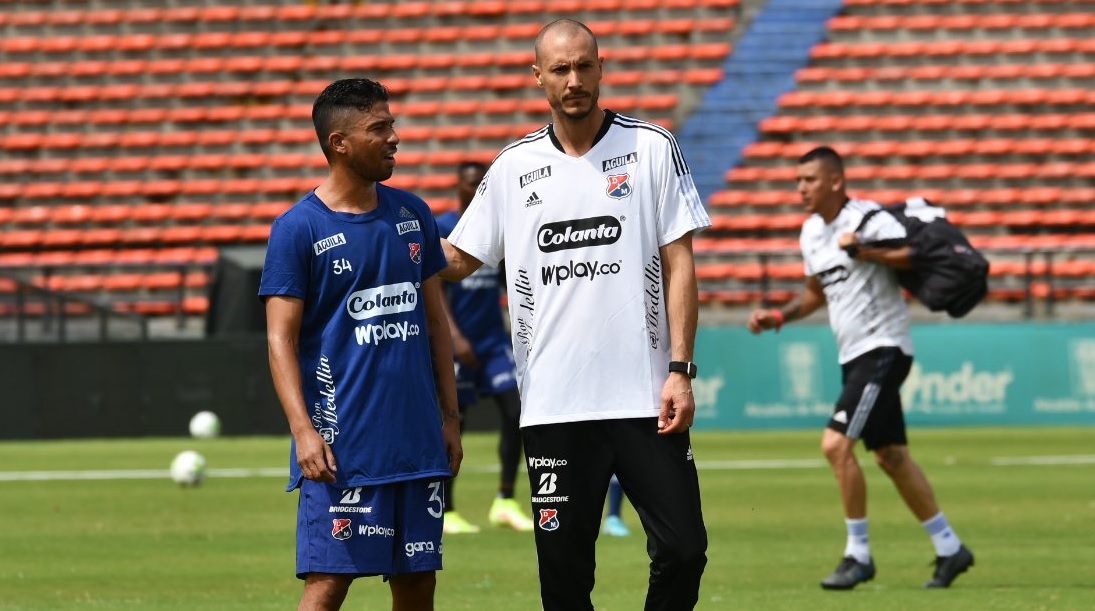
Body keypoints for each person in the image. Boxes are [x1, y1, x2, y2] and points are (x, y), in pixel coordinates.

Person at [440, 19, 710, 611]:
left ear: (602, 68)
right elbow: (457, 258)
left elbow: (680, 262)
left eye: (584, 66)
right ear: (538, 77)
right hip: (555, 406)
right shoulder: (513, 166)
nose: (574, 80)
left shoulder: (651, 147)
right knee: (563, 581)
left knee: (685, 551)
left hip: (646, 399)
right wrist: (382, 243)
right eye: (560, 69)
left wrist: (680, 369)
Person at [259, 78, 463, 611]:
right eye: (380, 128)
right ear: (339, 144)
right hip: (341, 450)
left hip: (418, 445)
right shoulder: (297, 229)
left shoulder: (414, 214)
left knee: (418, 586)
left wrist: (451, 416)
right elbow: (279, 339)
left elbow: (435, 322)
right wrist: (304, 433)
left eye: (391, 124)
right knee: (327, 586)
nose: (394, 137)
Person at [747, 146, 975, 590]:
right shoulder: (811, 232)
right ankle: (950, 548)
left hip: (883, 347)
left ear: (835, 181)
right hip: (853, 355)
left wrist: (867, 251)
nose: (800, 189)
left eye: (809, 180)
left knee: (835, 445)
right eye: (798, 181)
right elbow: (817, 290)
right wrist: (779, 316)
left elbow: (916, 255)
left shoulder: (869, 219)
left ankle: (858, 555)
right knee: (891, 457)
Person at [435, 160, 535, 535]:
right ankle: (446, 510)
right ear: (457, 186)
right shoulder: (444, 228)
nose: (475, 191)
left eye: (481, 185)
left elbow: (510, 279)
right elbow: (436, 289)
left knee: (516, 412)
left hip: (493, 342)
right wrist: (455, 338)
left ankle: (505, 501)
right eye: (469, 184)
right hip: (457, 343)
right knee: (455, 422)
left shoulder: (497, 228)